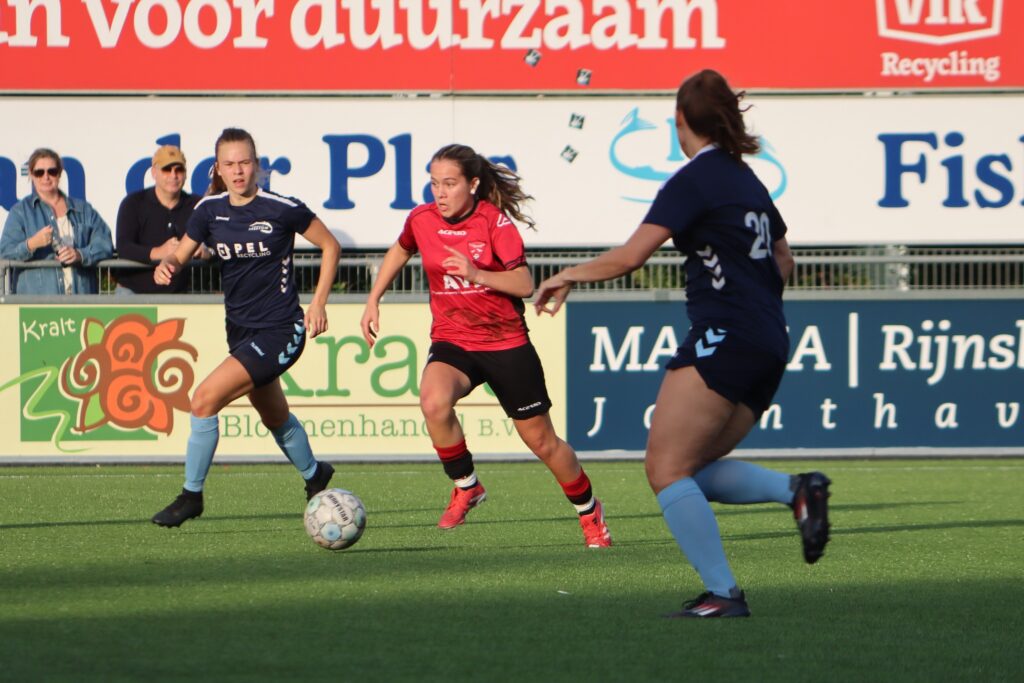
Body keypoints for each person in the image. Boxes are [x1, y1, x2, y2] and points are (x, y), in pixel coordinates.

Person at [534, 69, 831, 616]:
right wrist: (755, 306)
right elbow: (784, 258)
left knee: (665, 469)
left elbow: (631, 257)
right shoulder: (748, 180)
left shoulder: (695, 180)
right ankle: (797, 490)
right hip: (770, 339)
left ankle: (724, 594)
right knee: (688, 467)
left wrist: (568, 274)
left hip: (727, 334)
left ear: (681, 122)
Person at [360, 143, 611, 548]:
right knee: (433, 402)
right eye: (434, 183)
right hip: (453, 339)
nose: (440, 193)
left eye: (449, 184)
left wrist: (476, 273)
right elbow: (401, 248)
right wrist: (374, 299)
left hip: (505, 344)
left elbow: (524, 284)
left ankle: (589, 511)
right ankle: (467, 486)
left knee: (543, 443)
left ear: (473, 184)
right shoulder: (421, 219)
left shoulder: (494, 223)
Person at [151, 128, 342, 528]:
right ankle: (315, 474)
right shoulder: (209, 210)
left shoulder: (281, 208)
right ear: (218, 169)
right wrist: (168, 265)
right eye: (229, 164)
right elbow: (181, 254)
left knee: (203, 400)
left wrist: (319, 302)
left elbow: (330, 245)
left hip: (281, 329)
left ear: (256, 165)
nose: (238, 171)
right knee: (274, 415)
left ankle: (191, 496)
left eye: (244, 162)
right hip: (240, 332)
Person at [0, 148, 113, 294]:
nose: (46, 177)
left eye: (52, 171)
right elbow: (5, 252)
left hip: (81, 298)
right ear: (31, 175)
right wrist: (31, 244)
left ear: (59, 174)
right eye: (39, 172)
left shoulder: (83, 209)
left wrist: (80, 255)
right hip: (38, 302)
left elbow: (105, 243)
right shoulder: (20, 212)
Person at [114, 145, 203, 294]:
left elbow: (216, 241)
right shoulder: (133, 203)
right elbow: (124, 247)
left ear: (186, 173)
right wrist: (159, 252)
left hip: (177, 295)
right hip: (132, 293)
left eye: (179, 170)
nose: (173, 175)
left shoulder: (196, 205)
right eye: (167, 169)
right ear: (154, 172)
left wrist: (204, 251)